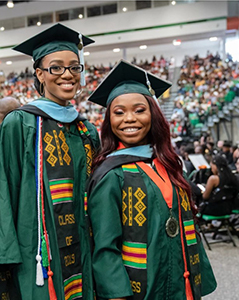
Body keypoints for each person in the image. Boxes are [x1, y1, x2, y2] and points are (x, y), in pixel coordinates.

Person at [86, 60, 216, 300]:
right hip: (142, 291)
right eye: (119, 112)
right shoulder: (111, 174)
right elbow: (105, 249)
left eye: (139, 110)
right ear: (109, 121)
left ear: (152, 114)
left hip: (180, 282)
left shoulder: (168, 164)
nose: (129, 119)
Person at [0, 23, 100, 300]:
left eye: (74, 67)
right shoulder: (20, 122)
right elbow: (7, 188)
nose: (67, 74)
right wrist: (8, 253)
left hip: (83, 243)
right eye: (56, 67)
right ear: (40, 74)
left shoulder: (86, 130)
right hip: (38, 247)